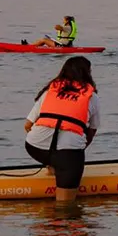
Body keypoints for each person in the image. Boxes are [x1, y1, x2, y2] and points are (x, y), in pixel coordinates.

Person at [24, 56, 100, 202]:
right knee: (65, 208)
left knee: (56, 155)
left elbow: (27, 125)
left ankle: (52, 165)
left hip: (34, 147)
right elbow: (91, 132)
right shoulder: (92, 97)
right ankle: (58, 166)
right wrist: (75, 156)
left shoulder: (49, 91)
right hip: (68, 154)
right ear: (88, 74)